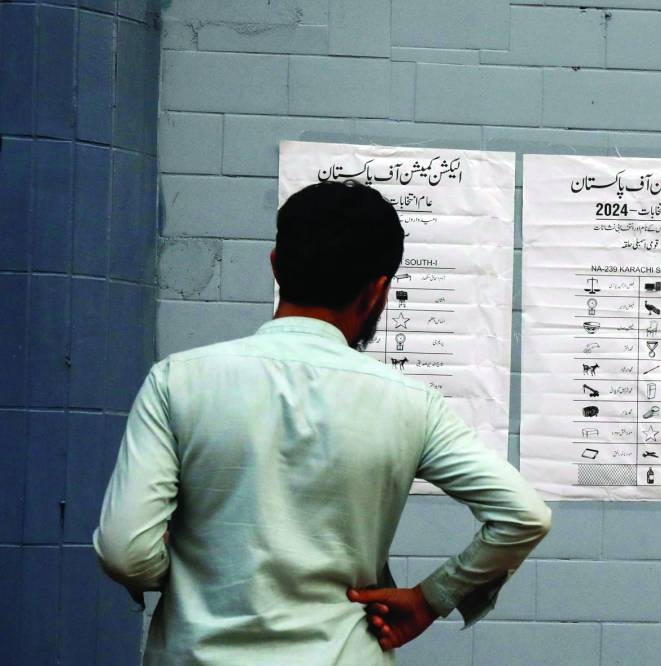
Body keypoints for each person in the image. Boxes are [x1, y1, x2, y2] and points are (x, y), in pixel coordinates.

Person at [93, 180, 551, 664]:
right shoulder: (412, 403)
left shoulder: (177, 381)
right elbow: (524, 515)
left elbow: (125, 552)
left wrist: (190, 571)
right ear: (378, 289)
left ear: (275, 265)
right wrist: (430, 598)